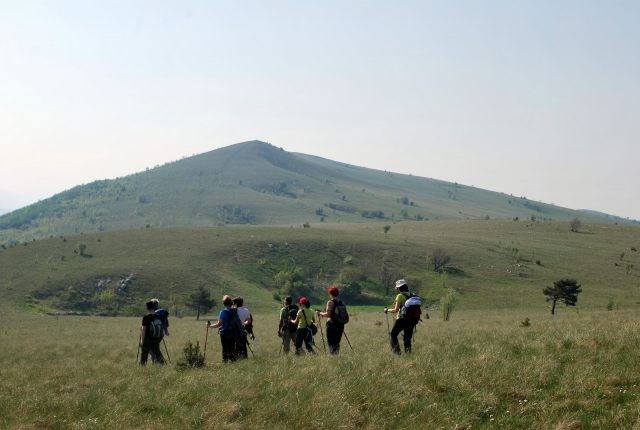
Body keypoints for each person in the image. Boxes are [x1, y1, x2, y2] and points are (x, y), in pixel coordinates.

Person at [384, 279, 418, 355]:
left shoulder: (400, 296)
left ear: (399, 288)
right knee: (407, 338)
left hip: (402, 319)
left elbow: (395, 310)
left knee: (393, 334)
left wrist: (387, 310)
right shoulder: (412, 295)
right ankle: (408, 354)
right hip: (412, 319)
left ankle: (397, 353)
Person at [210, 295, 245, 362]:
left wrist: (210, 326)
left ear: (224, 303)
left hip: (224, 333)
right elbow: (238, 322)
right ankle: (233, 361)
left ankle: (225, 361)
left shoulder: (223, 312)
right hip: (233, 332)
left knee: (225, 348)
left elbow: (219, 324)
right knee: (232, 347)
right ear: (231, 303)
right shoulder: (235, 311)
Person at [316, 286, 347, 354]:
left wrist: (320, 313)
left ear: (330, 294)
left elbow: (328, 314)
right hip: (340, 325)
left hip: (332, 325)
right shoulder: (342, 303)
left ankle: (333, 356)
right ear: (337, 293)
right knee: (337, 343)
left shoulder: (330, 302)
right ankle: (336, 356)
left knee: (331, 343)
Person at [139, 300, 165, 365]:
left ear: (147, 308)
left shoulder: (146, 317)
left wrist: (142, 341)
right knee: (157, 351)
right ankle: (162, 363)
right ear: (154, 308)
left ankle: (142, 366)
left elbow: (144, 329)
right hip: (157, 337)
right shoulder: (159, 316)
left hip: (148, 338)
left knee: (144, 353)